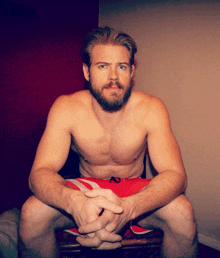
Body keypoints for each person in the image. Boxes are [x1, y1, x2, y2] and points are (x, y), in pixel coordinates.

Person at [18, 26, 197, 258]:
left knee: (183, 213)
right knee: (31, 212)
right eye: (103, 66)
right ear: (87, 71)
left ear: (132, 71)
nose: (113, 76)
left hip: (134, 191)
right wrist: (75, 203)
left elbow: (175, 175)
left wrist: (130, 207)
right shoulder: (66, 107)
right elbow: (39, 173)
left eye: (121, 66)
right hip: (87, 190)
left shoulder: (152, 108)